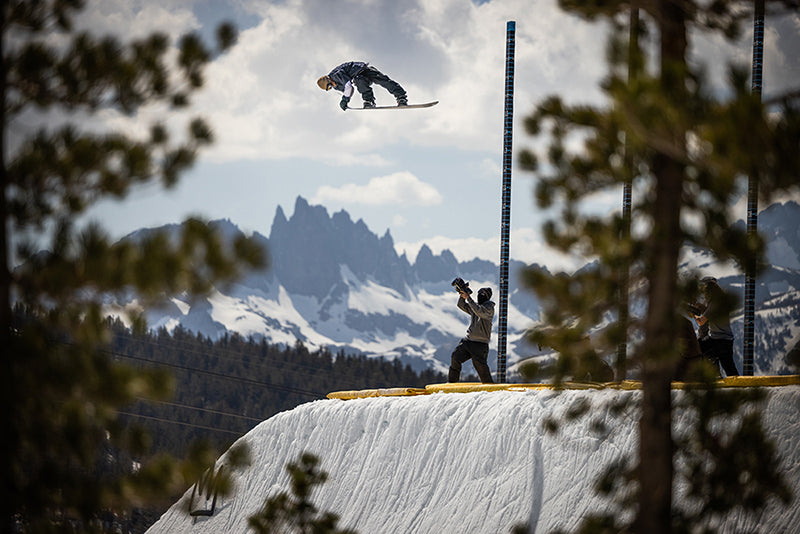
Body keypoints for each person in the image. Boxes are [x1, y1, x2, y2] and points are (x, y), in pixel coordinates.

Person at [692, 276, 739, 377]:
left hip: (720, 340)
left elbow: (701, 321)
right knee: (729, 367)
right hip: (722, 339)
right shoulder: (717, 300)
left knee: (699, 349)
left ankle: (717, 376)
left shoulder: (715, 302)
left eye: (703, 287)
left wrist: (694, 315)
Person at [448, 285, 495, 383]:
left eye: (482, 294)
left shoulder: (489, 308)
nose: (480, 296)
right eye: (479, 294)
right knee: (455, 357)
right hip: (468, 341)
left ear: (488, 297)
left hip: (480, 344)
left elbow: (479, 312)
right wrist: (462, 294)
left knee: (481, 368)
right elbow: (461, 305)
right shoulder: (475, 306)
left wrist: (468, 298)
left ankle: (490, 388)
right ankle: (451, 384)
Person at [317, 61, 408, 110]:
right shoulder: (336, 85)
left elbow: (348, 87)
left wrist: (345, 99)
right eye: (329, 88)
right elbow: (348, 90)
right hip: (360, 77)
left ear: (329, 80)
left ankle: (401, 97)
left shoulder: (336, 75)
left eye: (329, 85)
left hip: (365, 70)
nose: (332, 87)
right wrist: (346, 100)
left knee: (384, 81)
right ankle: (369, 101)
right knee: (359, 81)